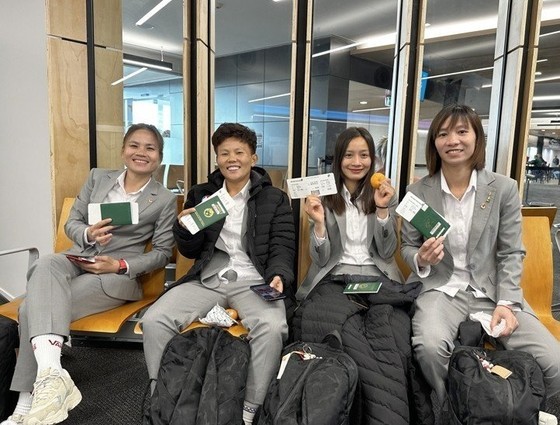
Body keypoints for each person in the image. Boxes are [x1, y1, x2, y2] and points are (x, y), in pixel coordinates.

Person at [1, 123, 177, 425]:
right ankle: (52, 379)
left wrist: (118, 266)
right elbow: (73, 223)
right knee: (46, 263)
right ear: (123, 150)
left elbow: (161, 254)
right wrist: (89, 234)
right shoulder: (98, 177)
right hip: (79, 256)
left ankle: (26, 402)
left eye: (150, 148)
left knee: (32, 307)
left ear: (159, 158)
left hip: (115, 276)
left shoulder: (163, 199)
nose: (141, 152)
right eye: (135, 145)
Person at [400, 104, 560, 417]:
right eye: (443, 134)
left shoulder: (503, 189)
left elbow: (511, 252)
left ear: (477, 138)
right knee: (429, 348)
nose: (452, 140)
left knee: (554, 362)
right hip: (441, 289)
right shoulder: (417, 192)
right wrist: (420, 257)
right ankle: (456, 410)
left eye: (462, 131)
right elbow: (408, 246)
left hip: (493, 292)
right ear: (434, 142)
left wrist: (507, 303)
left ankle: (520, 411)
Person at [141, 122, 296, 425]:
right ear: (216, 159)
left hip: (254, 280)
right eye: (224, 153)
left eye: (239, 152)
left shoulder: (273, 198)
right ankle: (163, 396)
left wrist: (279, 275)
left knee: (273, 326)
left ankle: (252, 409)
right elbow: (189, 250)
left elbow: (282, 247)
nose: (231, 158)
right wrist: (183, 227)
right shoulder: (202, 194)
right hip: (209, 278)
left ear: (253, 157)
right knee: (155, 320)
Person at [294, 128, 433, 424]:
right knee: (338, 330)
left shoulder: (383, 193)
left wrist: (383, 211)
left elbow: (386, 252)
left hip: (377, 277)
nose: (357, 162)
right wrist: (318, 224)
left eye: (364, 155)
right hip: (336, 276)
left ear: (373, 159)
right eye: (349, 155)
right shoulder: (325, 196)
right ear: (338, 159)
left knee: (393, 332)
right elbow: (320, 259)